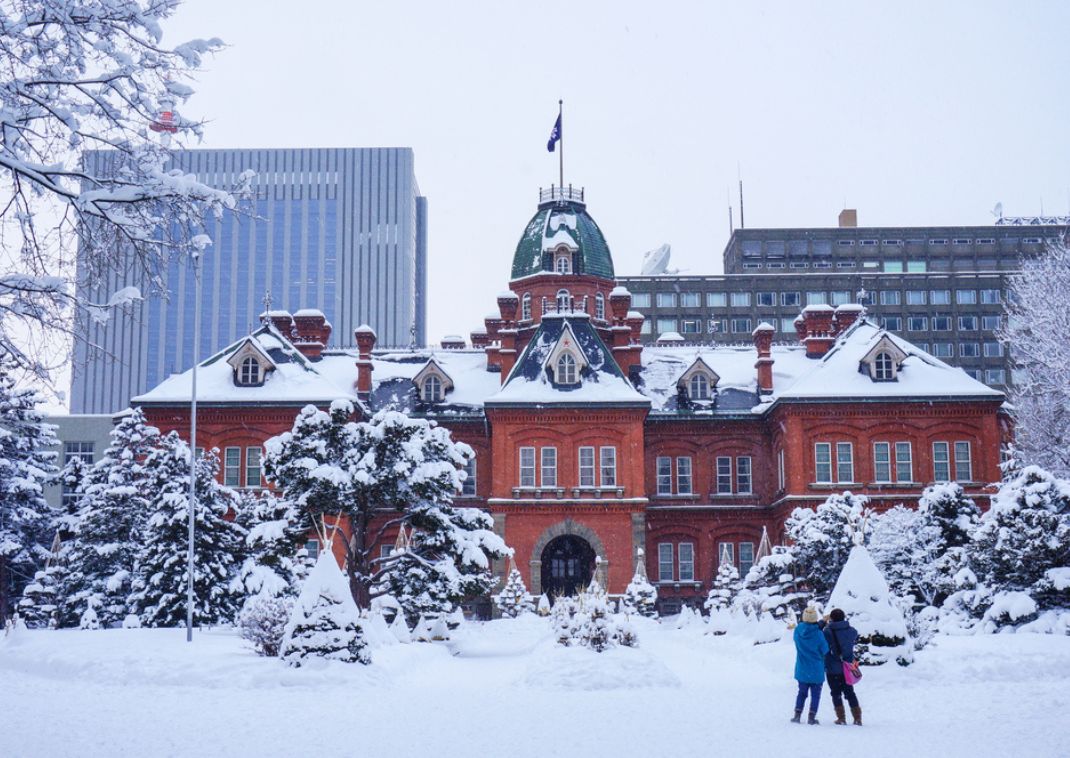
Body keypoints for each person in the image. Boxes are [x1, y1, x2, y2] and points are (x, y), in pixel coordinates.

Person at [823, 608, 862, 726]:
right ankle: (857, 718)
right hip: (848, 668)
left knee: (835, 693)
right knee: (850, 692)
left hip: (832, 667)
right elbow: (855, 634)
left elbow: (824, 645)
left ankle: (841, 718)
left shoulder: (827, 632)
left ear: (832, 618)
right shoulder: (851, 631)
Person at [792, 606, 829, 724]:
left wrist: (820, 624)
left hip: (802, 669)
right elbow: (825, 650)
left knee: (801, 693)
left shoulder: (797, 631)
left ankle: (797, 715)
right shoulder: (819, 634)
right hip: (816, 669)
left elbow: (807, 629)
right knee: (815, 695)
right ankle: (811, 717)